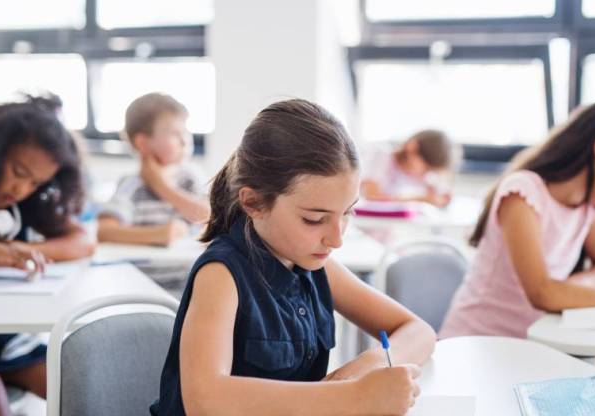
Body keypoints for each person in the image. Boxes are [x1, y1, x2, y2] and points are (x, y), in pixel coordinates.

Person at [151, 99, 436, 415]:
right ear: (254, 203)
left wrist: (371, 365)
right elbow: (204, 401)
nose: (337, 238)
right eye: (314, 219)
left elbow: (419, 331)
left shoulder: (316, 265)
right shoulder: (221, 274)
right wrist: (352, 396)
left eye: (348, 212)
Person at [439, 98, 595, 340]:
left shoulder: (588, 206)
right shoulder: (523, 193)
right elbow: (542, 294)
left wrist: (571, 289)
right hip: (475, 344)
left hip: (533, 344)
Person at [0, 95, 94, 416]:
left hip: (11, 336)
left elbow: (82, 242)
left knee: (86, 395)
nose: (21, 188)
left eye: (35, 182)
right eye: (17, 171)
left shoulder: (23, 205)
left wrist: (26, 251)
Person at [98, 92, 209, 246]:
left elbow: (209, 216)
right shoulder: (132, 184)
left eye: (185, 131)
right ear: (143, 143)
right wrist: (159, 234)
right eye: (174, 133)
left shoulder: (191, 177)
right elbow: (103, 231)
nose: (185, 140)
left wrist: (162, 187)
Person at [361, 129, 456, 207]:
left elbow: (439, 189)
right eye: (426, 168)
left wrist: (443, 195)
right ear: (413, 148)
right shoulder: (382, 156)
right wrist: (420, 199)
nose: (427, 174)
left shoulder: (421, 175)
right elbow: (372, 197)